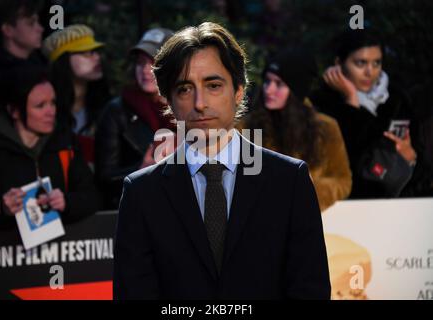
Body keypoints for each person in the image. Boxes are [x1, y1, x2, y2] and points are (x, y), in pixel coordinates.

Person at [113, 22, 330, 300]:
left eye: (213, 85)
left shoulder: (289, 180)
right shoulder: (141, 193)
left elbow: (310, 288)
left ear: (239, 90)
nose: (200, 103)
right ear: (168, 99)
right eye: (184, 89)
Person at [0, 66, 100, 230]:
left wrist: (66, 202)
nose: (50, 111)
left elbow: (91, 197)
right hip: (1, 251)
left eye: (53, 103)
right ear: (14, 111)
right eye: (40, 106)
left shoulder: (65, 142)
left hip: (59, 252)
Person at [238, 48, 351, 212]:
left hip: (311, 225)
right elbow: (241, 185)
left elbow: (342, 180)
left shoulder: (326, 128)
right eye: (268, 81)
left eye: (279, 84)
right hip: (263, 226)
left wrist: (307, 191)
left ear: (296, 90)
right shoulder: (246, 128)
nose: (268, 90)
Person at [310, 29, 417, 198]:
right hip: (343, 206)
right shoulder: (320, 102)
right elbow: (343, 159)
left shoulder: (397, 100)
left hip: (394, 206)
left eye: (376, 63)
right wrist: (351, 102)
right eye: (360, 63)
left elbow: (417, 164)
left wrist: (411, 158)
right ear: (339, 63)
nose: (370, 72)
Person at [95, 28, 175, 209]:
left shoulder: (190, 110)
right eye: (140, 63)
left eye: (154, 63)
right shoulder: (116, 112)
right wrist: (141, 169)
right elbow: (104, 179)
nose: (146, 70)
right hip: (137, 211)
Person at [42, 24, 111, 167]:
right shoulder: (45, 109)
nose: (96, 57)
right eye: (86, 52)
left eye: (96, 51)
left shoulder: (105, 106)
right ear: (64, 60)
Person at [0, 0, 46, 110]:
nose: (40, 29)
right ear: (8, 30)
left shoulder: (41, 65)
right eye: (31, 23)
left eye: (38, 22)